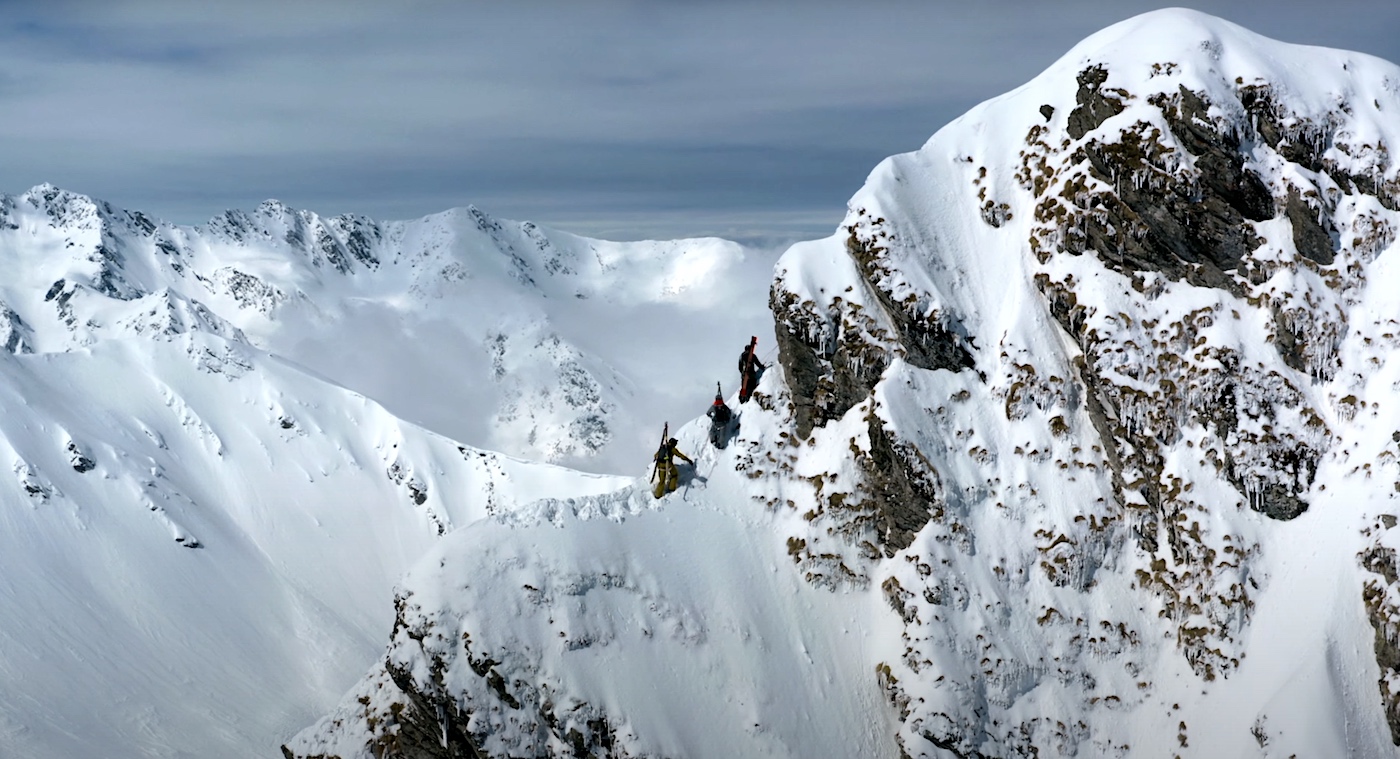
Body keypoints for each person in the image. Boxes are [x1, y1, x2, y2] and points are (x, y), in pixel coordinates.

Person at [737, 336, 766, 403]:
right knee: (751, 387)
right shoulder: (752, 355)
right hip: (751, 375)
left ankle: (742, 399)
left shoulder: (741, 356)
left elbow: (739, 367)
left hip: (744, 376)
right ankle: (748, 399)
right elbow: (758, 363)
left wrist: (742, 373)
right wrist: (762, 367)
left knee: (744, 387)